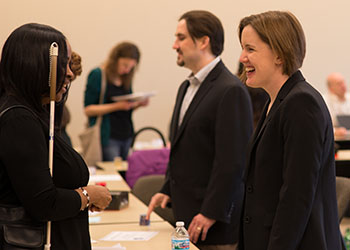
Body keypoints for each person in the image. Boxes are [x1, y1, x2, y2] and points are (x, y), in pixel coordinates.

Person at [146, 10, 253, 250]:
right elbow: (185, 149)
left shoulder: (230, 90)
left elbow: (232, 161)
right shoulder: (187, 86)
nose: (175, 45)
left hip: (213, 225)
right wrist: (167, 189)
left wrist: (210, 212)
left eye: (181, 38)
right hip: (187, 218)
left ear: (204, 41)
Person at [0, 23, 111, 249]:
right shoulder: (19, 120)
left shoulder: (34, 113)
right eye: (63, 65)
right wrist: (88, 196)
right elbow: (43, 203)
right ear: (37, 66)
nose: (70, 73)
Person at [238, 11, 343, 250]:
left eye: (250, 49)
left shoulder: (301, 103)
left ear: (278, 54)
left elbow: (296, 196)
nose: (242, 58)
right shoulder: (276, 101)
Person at [84, 42, 149, 161]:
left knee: (126, 174)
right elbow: (88, 110)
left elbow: (125, 107)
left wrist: (138, 104)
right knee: (113, 173)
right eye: (125, 65)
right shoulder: (98, 74)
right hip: (108, 136)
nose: (127, 70)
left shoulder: (126, 77)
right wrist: (116, 106)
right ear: (115, 60)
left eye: (131, 67)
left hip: (126, 134)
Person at [324, 72, 350, 137]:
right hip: (335, 140)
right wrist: (335, 131)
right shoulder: (325, 101)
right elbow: (322, 126)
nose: (343, 86)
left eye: (343, 82)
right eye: (339, 84)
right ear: (330, 88)